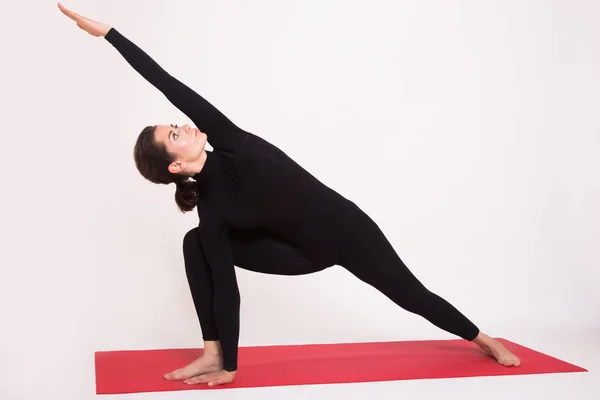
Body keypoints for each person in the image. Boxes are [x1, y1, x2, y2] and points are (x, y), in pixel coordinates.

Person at [58, 3, 521, 387]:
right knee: (196, 244)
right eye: (175, 134)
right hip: (298, 253)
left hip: (346, 230)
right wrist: (232, 367)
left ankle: (483, 339)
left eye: (176, 124)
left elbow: (166, 81)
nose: (183, 126)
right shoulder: (212, 211)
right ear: (175, 165)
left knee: (410, 295)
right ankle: (212, 352)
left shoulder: (229, 139)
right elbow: (228, 290)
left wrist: (110, 34)